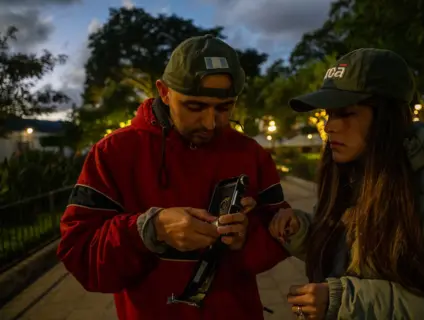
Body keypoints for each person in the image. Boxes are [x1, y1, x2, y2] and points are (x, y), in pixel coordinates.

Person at [57, 34, 290, 320]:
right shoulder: (113, 153)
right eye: (194, 107)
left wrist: (246, 237)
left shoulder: (251, 154)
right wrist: (150, 230)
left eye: (224, 108)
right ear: (164, 92)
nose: (209, 123)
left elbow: (281, 238)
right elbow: (80, 255)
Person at [269, 48, 424, 319]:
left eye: (345, 113)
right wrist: (303, 232)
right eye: (329, 115)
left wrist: (345, 301)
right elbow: (360, 259)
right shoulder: (354, 175)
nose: (329, 126)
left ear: (388, 116)